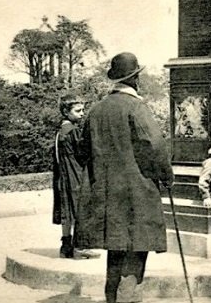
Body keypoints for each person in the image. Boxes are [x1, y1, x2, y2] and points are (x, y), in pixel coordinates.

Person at [75, 52, 173, 303]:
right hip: (136, 195)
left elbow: (81, 152)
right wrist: (166, 176)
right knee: (135, 254)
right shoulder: (136, 107)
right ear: (135, 79)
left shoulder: (96, 110)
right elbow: (154, 145)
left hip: (108, 198)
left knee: (115, 254)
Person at [52, 93, 98, 258]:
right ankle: (80, 246)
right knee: (80, 208)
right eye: (78, 110)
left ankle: (66, 245)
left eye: (83, 110)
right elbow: (83, 154)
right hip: (75, 175)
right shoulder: (73, 131)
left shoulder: (60, 132)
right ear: (66, 111)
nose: (82, 113)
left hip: (63, 177)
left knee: (67, 210)